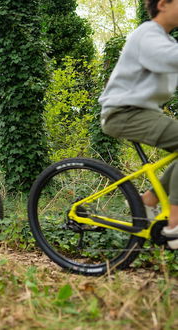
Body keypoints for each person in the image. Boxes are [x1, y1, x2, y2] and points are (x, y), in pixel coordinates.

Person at [99, 0, 178, 249]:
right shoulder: (147, 34)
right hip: (124, 113)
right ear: (163, 4)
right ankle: (175, 225)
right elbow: (169, 60)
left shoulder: (168, 41)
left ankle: (150, 199)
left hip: (141, 112)